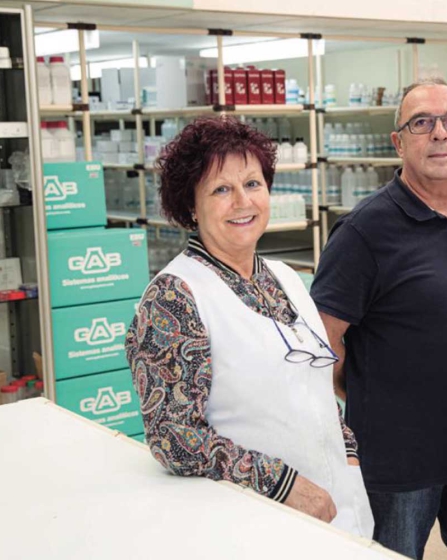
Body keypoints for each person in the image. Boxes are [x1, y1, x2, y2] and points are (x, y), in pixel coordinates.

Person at [124, 116, 374, 538]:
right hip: (253, 523)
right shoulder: (175, 297)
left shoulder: (286, 277)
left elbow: (313, 383)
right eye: (221, 189)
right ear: (190, 205)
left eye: (253, 184)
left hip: (339, 510)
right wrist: (282, 483)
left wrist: (349, 458)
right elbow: (173, 436)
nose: (243, 202)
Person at [310, 78, 447, 560]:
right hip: (398, 462)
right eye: (422, 123)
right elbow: (320, 344)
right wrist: (365, 393)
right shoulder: (364, 231)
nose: (439, 133)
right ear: (399, 142)